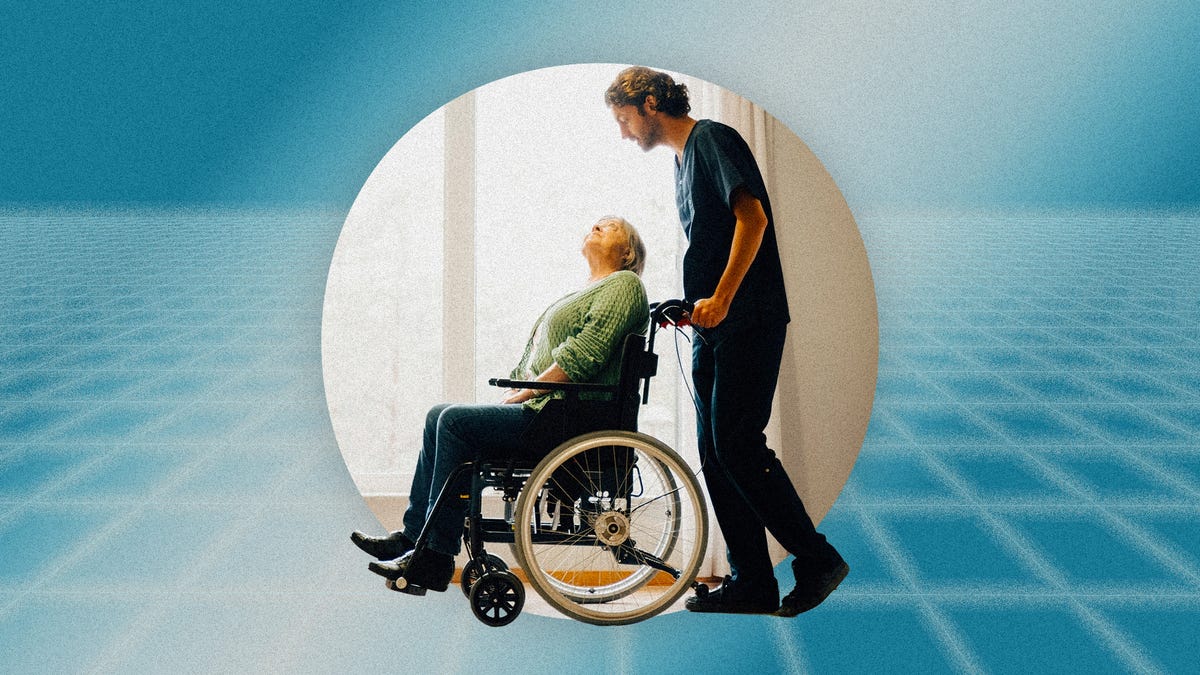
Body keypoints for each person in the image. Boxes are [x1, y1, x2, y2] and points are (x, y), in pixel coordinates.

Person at [606, 67, 848, 616]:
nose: (623, 133)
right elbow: (713, 245)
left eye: (624, 119)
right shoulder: (680, 163)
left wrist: (722, 298)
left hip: (749, 318)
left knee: (738, 444)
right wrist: (693, 305)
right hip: (712, 326)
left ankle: (818, 559)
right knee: (716, 455)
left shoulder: (712, 138)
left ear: (650, 102)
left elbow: (752, 219)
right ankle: (752, 582)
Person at [350, 216, 649, 593]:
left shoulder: (624, 284)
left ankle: (435, 557)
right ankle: (413, 538)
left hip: (570, 419)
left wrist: (526, 392)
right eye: (596, 223)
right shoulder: (590, 289)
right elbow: (544, 354)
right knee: (437, 415)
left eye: (610, 226)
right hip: (554, 411)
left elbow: (585, 353)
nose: (597, 226)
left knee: (453, 422)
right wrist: (519, 387)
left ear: (627, 252)